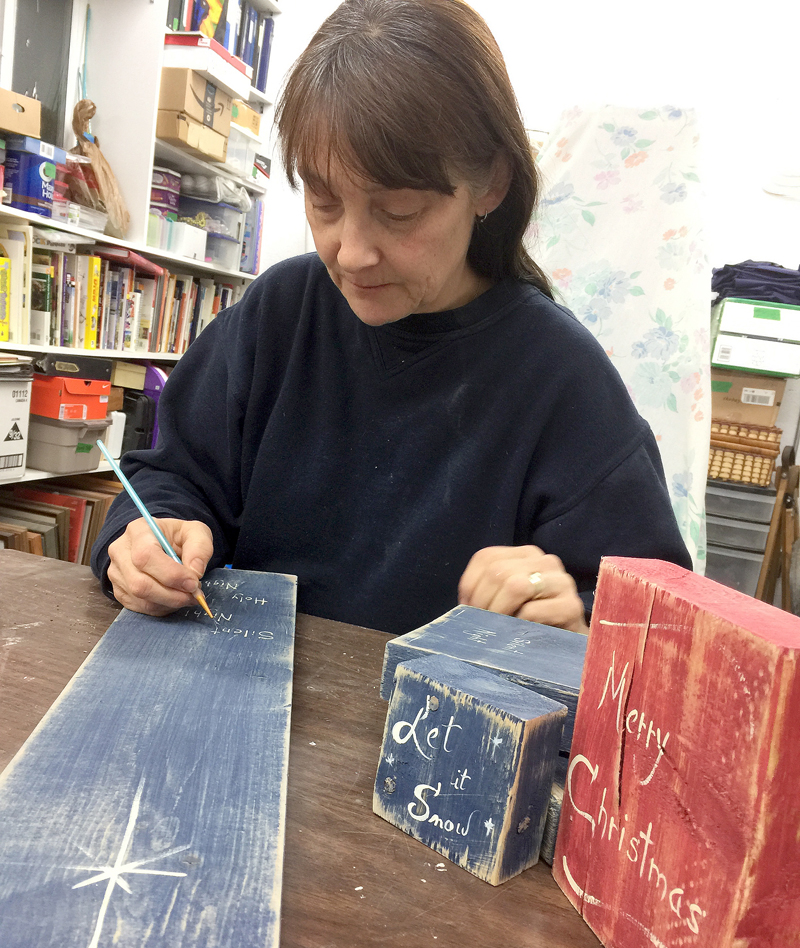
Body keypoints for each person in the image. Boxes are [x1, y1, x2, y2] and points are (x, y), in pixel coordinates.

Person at [91, 0, 691, 637]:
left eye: (399, 212)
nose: (351, 253)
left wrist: (571, 622)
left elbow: (654, 628)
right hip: (248, 698)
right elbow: (167, 476)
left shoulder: (561, 380)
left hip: (434, 729)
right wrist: (147, 535)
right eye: (323, 201)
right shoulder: (281, 315)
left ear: (489, 183)